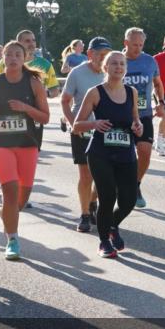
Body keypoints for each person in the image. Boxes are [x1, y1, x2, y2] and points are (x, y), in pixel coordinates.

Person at [0, 41, 50, 260]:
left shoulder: (34, 83)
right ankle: (13, 239)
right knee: (10, 190)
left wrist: (26, 108)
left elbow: (45, 117)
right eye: (9, 54)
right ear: (2, 57)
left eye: (18, 54)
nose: (13, 58)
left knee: (21, 199)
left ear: (25, 58)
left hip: (27, 144)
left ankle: (8, 215)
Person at [73, 51, 143, 258]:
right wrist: (94, 124)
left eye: (122, 64)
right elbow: (77, 125)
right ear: (105, 67)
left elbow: (135, 120)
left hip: (125, 153)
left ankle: (112, 225)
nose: (118, 67)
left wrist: (138, 126)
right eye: (113, 63)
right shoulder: (95, 93)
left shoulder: (131, 92)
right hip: (100, 153)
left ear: (125, 69)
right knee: (108, 196)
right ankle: (104, 241)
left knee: (129, 200)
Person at [60, 37, 111, 232]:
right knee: (86, 173)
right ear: (90, 54)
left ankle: (92, 201)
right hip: (82, 129)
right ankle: (84, 214)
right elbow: (65, 100)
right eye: (100, 54)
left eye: (107, 54)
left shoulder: (112, 73)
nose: (104, 58)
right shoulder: (77, 73)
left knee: (104, 174)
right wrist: (74, 123)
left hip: (106, 130)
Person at [122, 27, 164, 209]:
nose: (138, 49)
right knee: (123, 155)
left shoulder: (149, 61)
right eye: (134, 45)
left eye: (141, 45)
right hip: (121, 116)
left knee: (145, 152)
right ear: (126, 43)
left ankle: (135, 184)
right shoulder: (117, 61)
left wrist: (161, 102)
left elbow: (158, 84)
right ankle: (119, 185)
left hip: (144, 114)